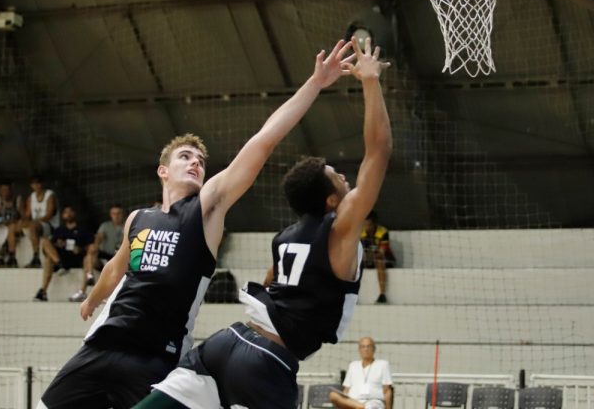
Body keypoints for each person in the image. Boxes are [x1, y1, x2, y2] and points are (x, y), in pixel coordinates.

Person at [36, 39, 356, 409]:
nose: (195, 163)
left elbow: (263, 141)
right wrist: (93, 298)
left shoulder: (206, 210)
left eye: (200, 161)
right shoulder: (138, 219)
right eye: (185, 156)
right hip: (101, 348)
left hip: (155, 358)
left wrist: (314, 83)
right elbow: (116, 266)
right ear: (163, 171)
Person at [135, 36, 392, 409]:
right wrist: (370, 80)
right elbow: (378, 152)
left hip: (226, 343)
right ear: (332, 200)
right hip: (266, 364)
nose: (344, 176)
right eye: (336, 176)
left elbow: (272, 280)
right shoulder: (340, 229)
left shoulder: (285, 238)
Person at [33, 206, 94, 302]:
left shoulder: (83, 229)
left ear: (74, 214)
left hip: (77, 257)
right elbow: (49, 246)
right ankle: (43, 291)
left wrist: (80, 249)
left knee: (88, 258)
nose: (68, 214)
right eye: (66, 212)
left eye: (70, 212)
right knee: (46, 250)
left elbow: (91, 246)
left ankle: (82, 291)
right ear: (62, 215)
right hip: (61, 257)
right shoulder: (59, 230)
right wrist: (58, 244)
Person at [330, 337, 393, 409]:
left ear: (374, 349)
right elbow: (346, 389)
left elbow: (387, 390)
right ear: (359, 349)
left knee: (370, 407)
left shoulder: (383, 364)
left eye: (368, 346)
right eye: (363, 347)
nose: (366, 349)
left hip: (373, 402)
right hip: (353, 402)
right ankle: (360, 406)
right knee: (333, 395)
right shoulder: (353, 365)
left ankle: (361, 407)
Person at [22, 177, 59, 268]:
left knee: (33, 226)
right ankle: (10, 255)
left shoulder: (49, 195)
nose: (37, 186)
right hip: (37, 224)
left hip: (50, 225)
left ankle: (36, 257)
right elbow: (27, 214)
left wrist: (35, 221)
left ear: (42, 184)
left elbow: (49, 214)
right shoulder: (31, 197)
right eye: (34, 184)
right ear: (31, 185)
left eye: (38, 183)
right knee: (16, 225)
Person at [361, 211, 395, 304]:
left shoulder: (383, 232)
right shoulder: (360, 232)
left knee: (379, 260)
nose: (367, 228)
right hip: (368, 259)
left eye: (369, 225)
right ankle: (351, 294)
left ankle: (382, 295)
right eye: (365, 225)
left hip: (386, 259)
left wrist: (367, 255)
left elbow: (382, 252)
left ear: (374, 224)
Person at [85, 204, 125, 285]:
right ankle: (90, 276)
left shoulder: (127, 226)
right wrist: (96, 245)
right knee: (91, 250)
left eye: (118, 213)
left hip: (119, 257)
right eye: (114, 214)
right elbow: (99, 236)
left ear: (122, 214)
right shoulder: (105, 226)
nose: (116, 216)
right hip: (105, 255)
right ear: (110, 215)